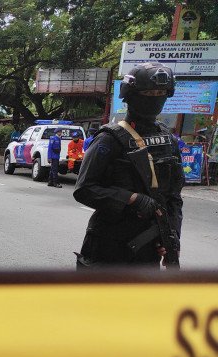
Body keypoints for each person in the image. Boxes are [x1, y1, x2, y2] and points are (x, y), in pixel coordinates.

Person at [74, 62, 184, 268]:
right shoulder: (109, 139)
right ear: (131, 95)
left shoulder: (168, 139)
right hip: (108, 245)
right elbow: (84, 189)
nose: (155, 97)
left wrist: (171, 237)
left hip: (148, 247)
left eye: (160, 92)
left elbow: (174, 198)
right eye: (148, 92)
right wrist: (132, 199)